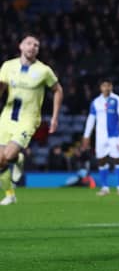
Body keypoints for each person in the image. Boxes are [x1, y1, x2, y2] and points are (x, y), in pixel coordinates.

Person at [0, 35, 63, 205]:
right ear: (20, 46)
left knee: (9, 154)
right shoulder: (8, 66)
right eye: (29, 43)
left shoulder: (44, 70)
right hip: (7, 116)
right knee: (0, 160)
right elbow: (1, 86)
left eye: (36, 45)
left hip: (28, 119)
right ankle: (10, 194)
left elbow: (58, 90)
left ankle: (18, 158)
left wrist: (55, 117)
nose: (33, 47)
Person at [82, 79, 119, 196]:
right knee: (101, 160)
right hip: (100, 137)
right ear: (101, 88)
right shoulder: (96, 102)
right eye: (104, 86)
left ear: (111, 87)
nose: (106, 88)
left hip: (115, 136)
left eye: (108, 85)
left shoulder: (118, 100)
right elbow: (91, 119)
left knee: (118, 159)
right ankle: (105, 187)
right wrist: (86, 135)